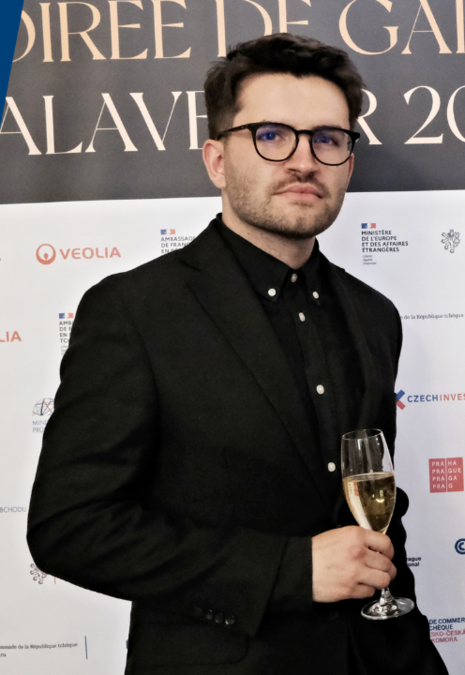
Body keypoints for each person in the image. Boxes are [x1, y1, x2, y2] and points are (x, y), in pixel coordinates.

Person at [26, 33, 448, 675]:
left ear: (348, 163)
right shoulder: (134, 310)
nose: (304, 161)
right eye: (272, 135)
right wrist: (289, 570)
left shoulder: (374, 315)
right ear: (217, 160)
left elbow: (375, 512)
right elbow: (70, 527)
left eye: (328, 139)